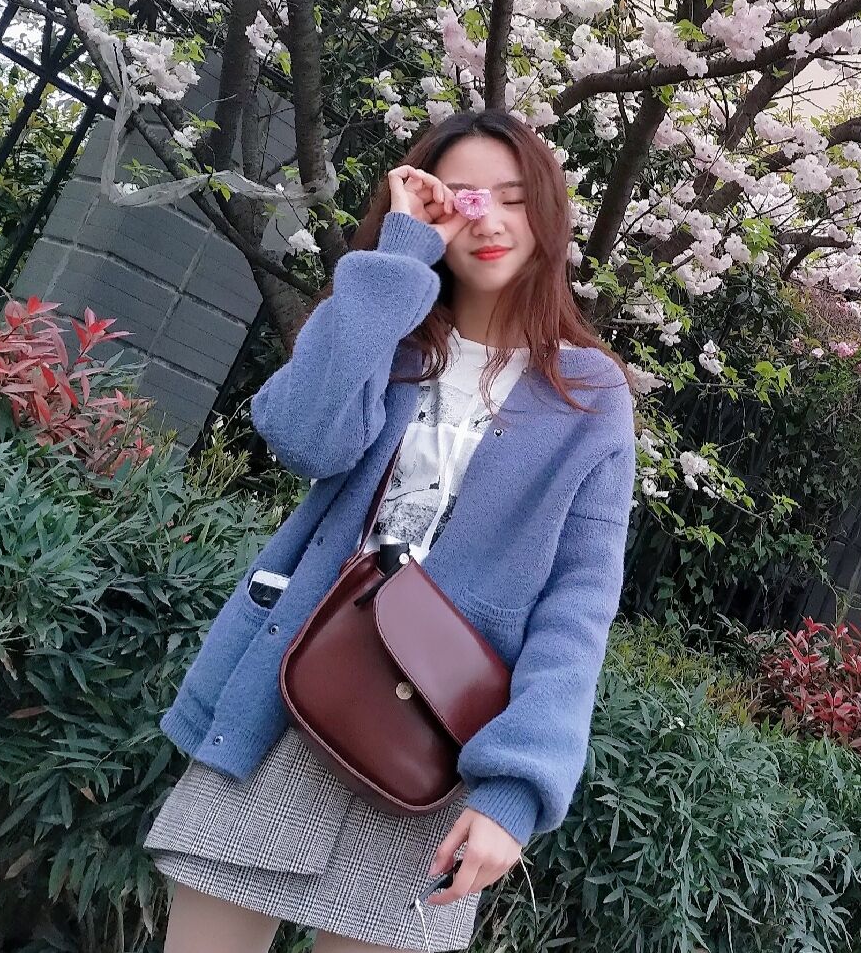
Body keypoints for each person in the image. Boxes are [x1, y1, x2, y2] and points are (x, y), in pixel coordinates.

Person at [142, 109, 636, 952]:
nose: (489, 219)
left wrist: (516, 786)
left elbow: (578, 604)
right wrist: (400, 257)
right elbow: (303, 436)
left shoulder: (589, 395)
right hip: (288, 693)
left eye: (515, 198)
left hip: (433, 746)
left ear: (549, 216)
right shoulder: (386, 332)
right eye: (465, 197)